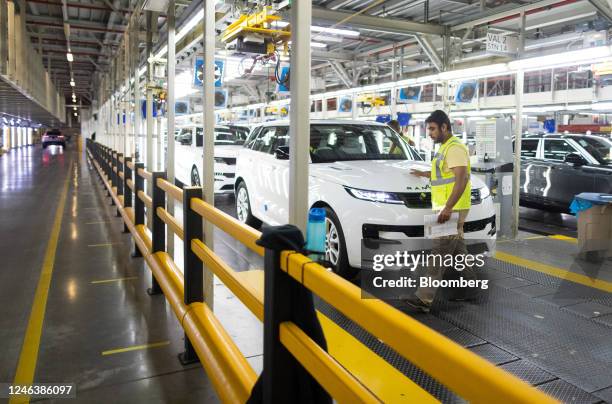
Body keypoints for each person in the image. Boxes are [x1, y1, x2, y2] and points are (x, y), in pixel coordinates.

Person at [404, 110, 473, 312]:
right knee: (459, 251)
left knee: (439, 253)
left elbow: (461, 179)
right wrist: (423, 174)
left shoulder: (454, 148)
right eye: (429, 129)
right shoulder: (445, 147)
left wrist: (448, 208)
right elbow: (445, 174)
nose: (430, 133)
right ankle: (471, 288)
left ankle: (424, 298)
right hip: (449, 207)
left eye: (433, 129)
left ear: (445, 127)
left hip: (451, 208)